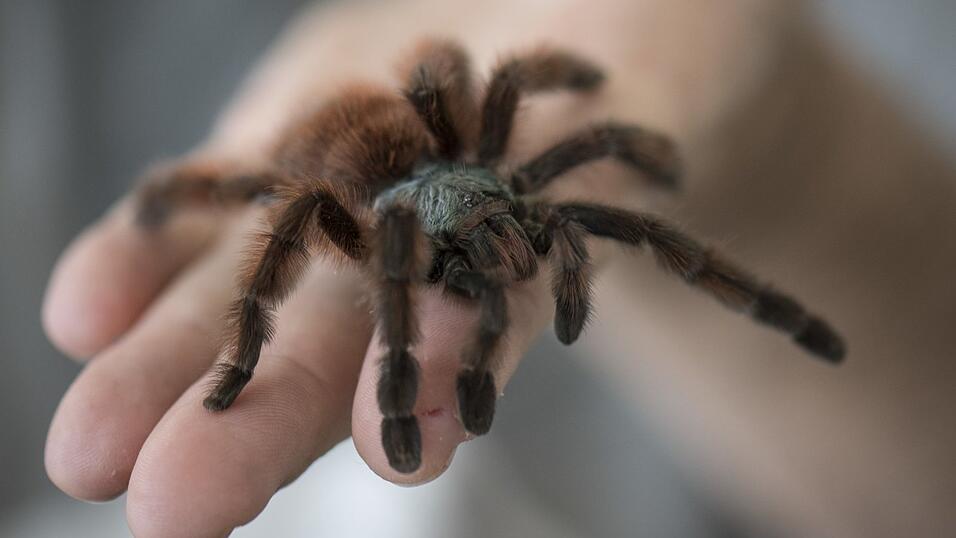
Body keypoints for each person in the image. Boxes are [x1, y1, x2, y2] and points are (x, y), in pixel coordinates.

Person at [42, 1, 956, 536]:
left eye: (508, 218)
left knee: (622, 217)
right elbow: (305, 225)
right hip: (355, 177)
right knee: (295, 209)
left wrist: (749, 122)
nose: (510, 244)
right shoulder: (369, 234)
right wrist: (252, 355)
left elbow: (505, 77)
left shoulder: (511, 176)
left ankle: (782, 312)